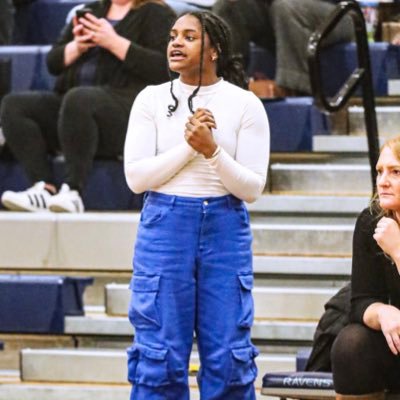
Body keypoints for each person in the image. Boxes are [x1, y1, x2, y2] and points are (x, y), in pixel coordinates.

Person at [124, 10, 269, 400]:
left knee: (228, 357)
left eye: (189, 37)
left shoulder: (245, 104)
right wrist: (190, 148)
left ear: (214, 50)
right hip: (165, 225)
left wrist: (212, 151)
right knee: (160, 355)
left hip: (224, 226)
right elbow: (137, 178)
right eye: (173, 35)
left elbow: (252, 188)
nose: (175, 43)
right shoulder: (150, 99)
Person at [0, 0, 175, 213]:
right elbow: (53, 63)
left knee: (80, 99)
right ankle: (43, 187)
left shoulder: (156, 13)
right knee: (15, 105)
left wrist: (113, 42)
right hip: (73, 110)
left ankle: (73, 190)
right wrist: (78, 45)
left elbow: (163, 68)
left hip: (126, 113)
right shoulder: (91, 10)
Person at [331, 136, 400, 400]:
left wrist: (397, 251)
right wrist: (383, 312)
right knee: (351, 345)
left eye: (396, 172)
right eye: (380, 171)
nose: (383, 181)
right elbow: (360, 301)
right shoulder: (371, 222)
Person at [212, 0, 354, 97]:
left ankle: (292, 89)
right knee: (228, 6)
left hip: (338, 14)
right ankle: (230, 83)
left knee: (285, 6)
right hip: (278, 14)